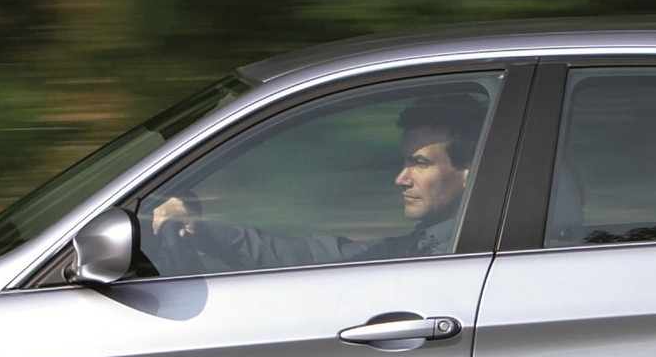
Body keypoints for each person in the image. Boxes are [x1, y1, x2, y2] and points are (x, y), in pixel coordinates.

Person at [145, 92, 484, 275]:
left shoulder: (453, 256)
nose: (400, 178)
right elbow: (317, 254)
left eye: (420, 163)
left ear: (469, 169)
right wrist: (204, 231)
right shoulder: (434, 244)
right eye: (403, 161)